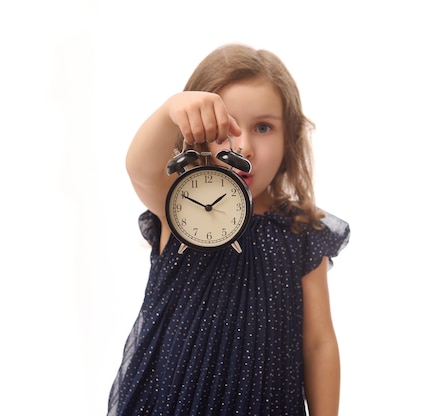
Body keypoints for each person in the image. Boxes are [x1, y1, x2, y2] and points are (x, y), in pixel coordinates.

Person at [108, 43, 350, 416]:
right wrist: (172, 109)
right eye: (225, 130)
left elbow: (319, 344)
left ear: (291, 138)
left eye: (264, 127)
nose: (245, 147)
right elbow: (140, 167)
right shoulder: (182, 203)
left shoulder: (302, 233)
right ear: (196, 134)